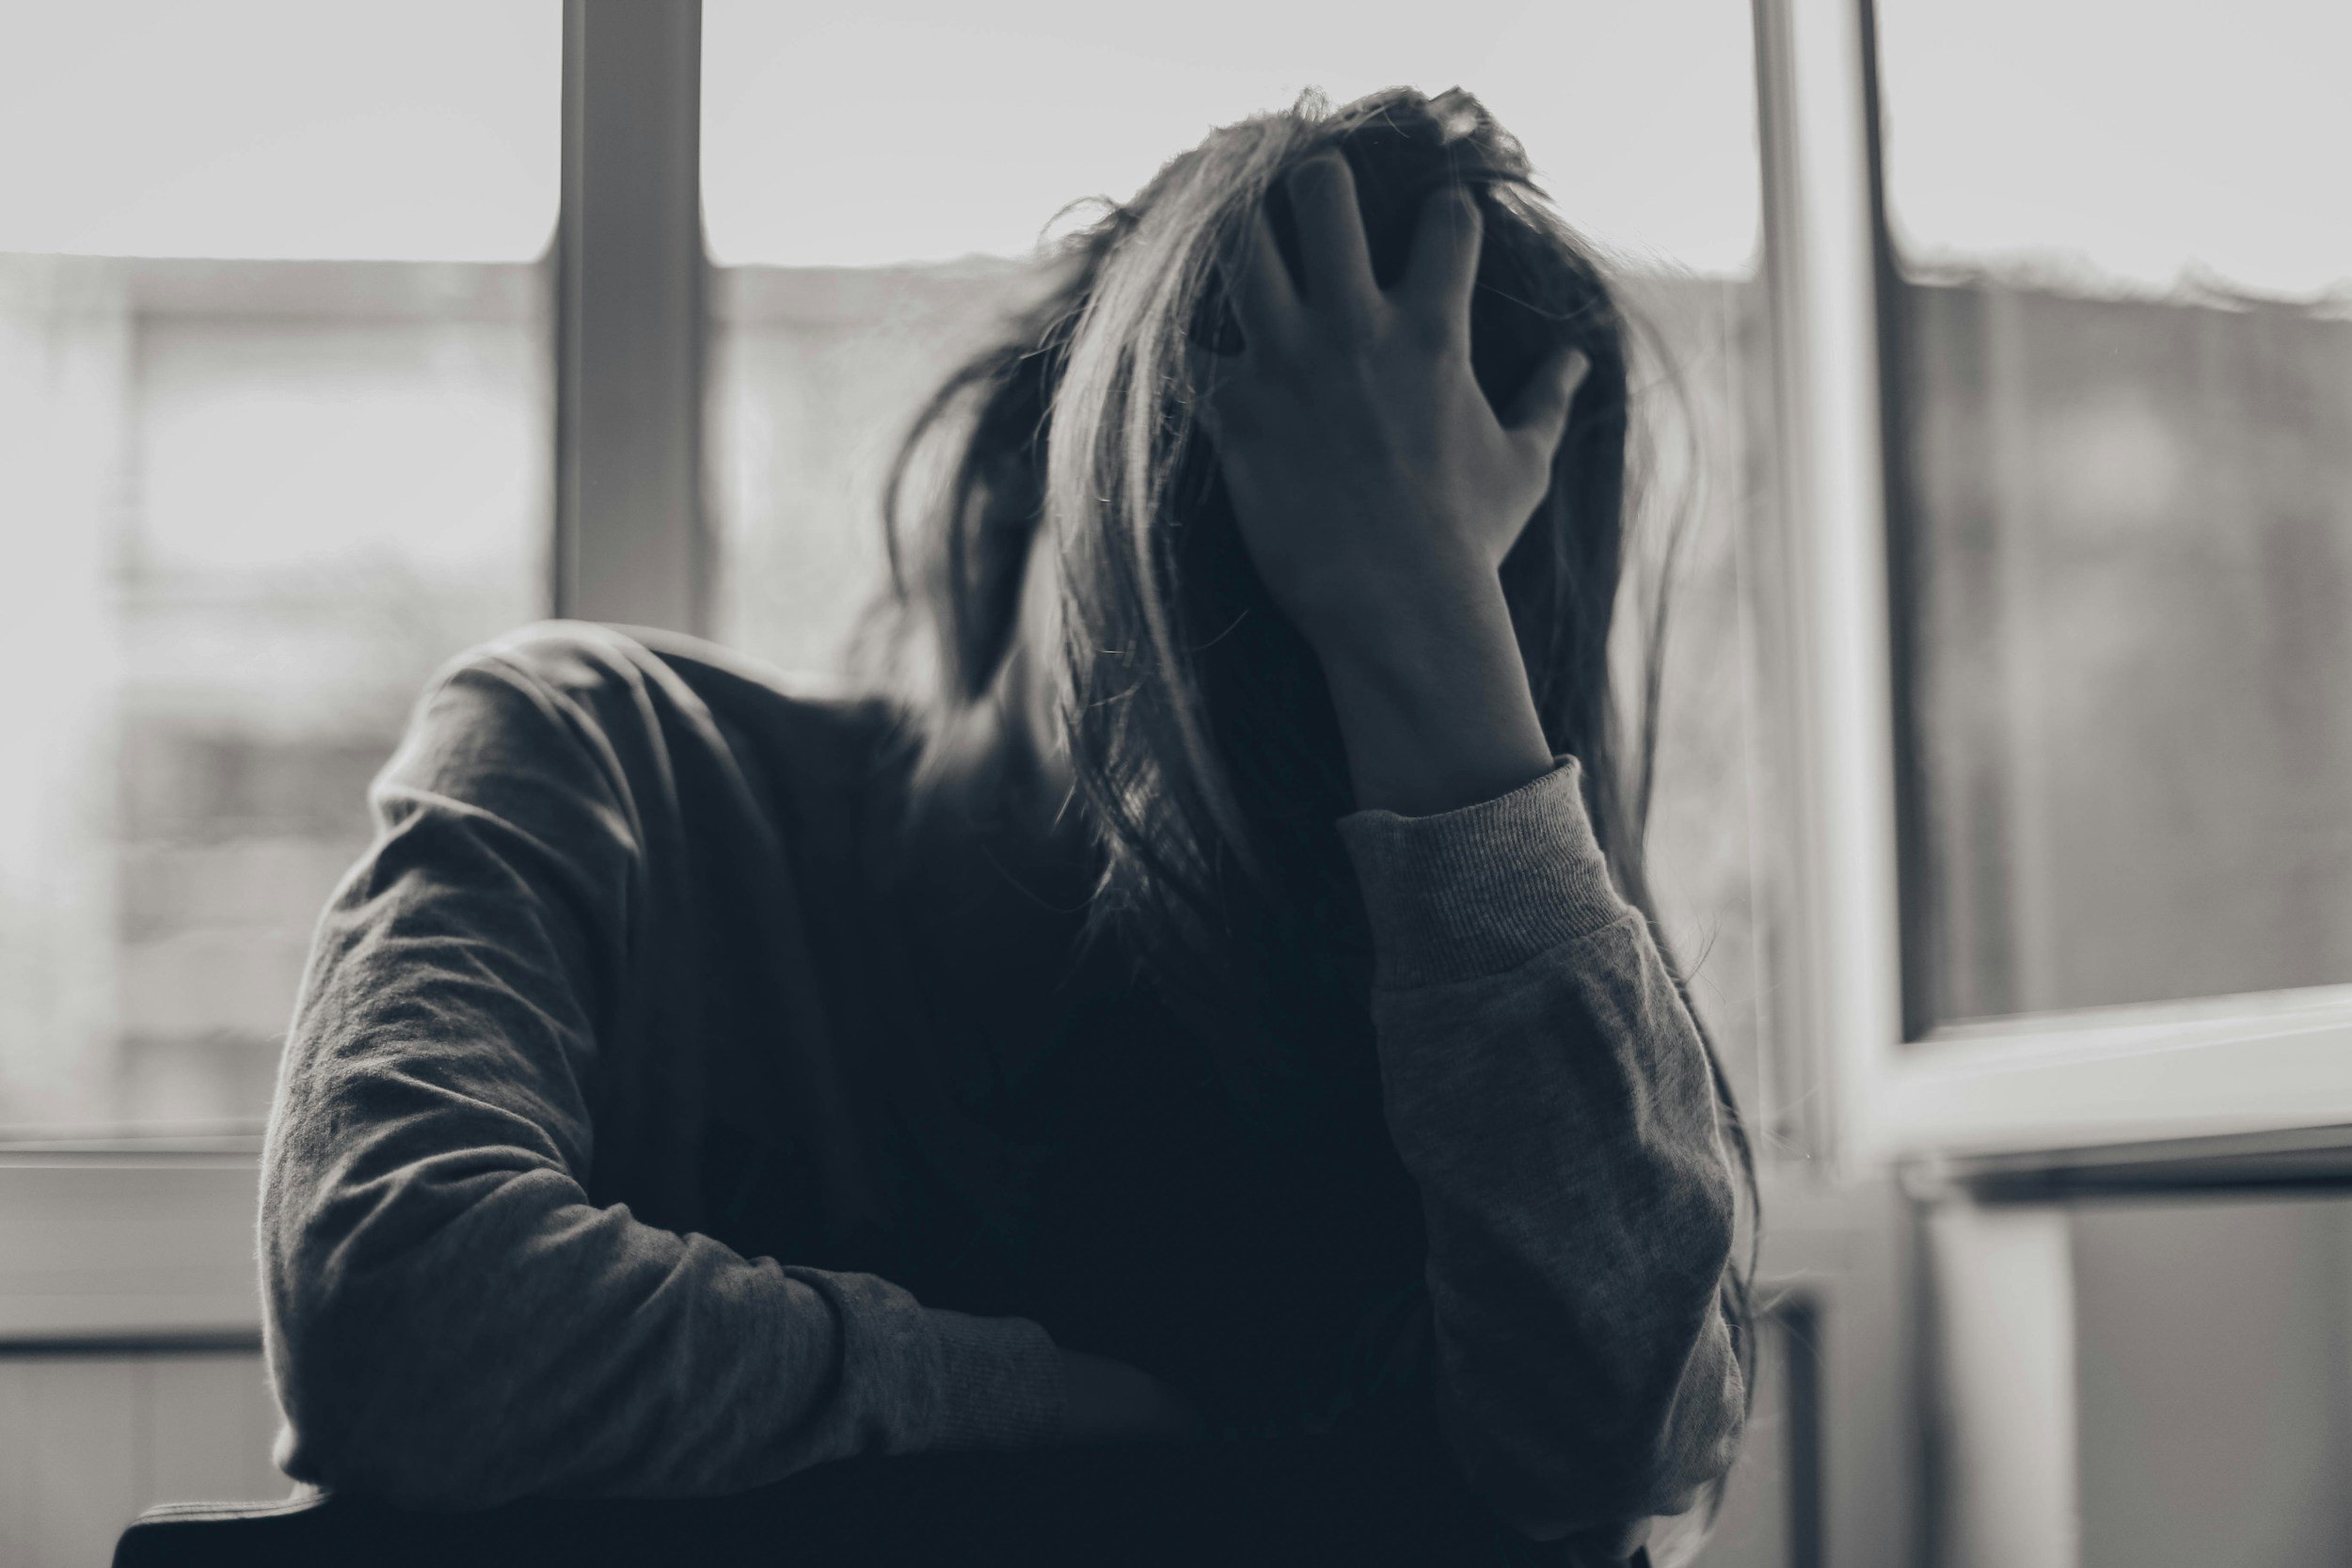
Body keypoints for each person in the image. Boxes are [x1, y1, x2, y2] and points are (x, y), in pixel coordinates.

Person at [256, 86, 1754, 1565]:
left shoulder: (1428, 988)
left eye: (1383, 633)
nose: (1277, 699)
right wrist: (1079, 1408)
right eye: (1219, 579)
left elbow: (1618, 1451)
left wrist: (1437, 676)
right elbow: (393, 1312)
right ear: (1005, 503)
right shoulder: (601, 758)